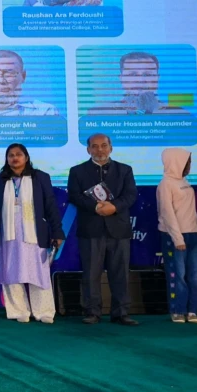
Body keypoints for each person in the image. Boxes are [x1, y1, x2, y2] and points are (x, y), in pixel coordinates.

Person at [67, 134, 139, 326]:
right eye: (95, 146)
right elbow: (74, 196)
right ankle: (92, 312)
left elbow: (131, 195)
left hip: (119, 229)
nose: (100, 150)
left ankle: (121, 312)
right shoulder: (77, 171)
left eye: (104, 145)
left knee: (120, 273)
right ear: (88, 149)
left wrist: (114, 207)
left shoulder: (125, 170)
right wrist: (96, 207)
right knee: (91, 274)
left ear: (111, 148)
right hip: (91, 229)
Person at [0, 143, 64, 324]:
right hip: (9, 235)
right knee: (10, 271)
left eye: (18, 154)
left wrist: (57, 231)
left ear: (26, 157)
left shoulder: (40, 177)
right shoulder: (0, 180)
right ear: (7, 159)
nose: (15, 158)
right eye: (11, 155)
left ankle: (44, 311)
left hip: (34, 234)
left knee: (38, 272)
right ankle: (18, 310)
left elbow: (50, 206)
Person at [157, 148, 197, 323]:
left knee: (195, 275)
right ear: (175, 162)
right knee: (178, 275)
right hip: (174, 237)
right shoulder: (165, 184)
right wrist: (177, 238)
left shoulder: (184, 182)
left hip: (192, 234)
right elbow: (167, 213)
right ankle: (177, 310)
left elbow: (190, 210)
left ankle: (192, 311)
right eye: (186, 162)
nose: (189, 166)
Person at [87, 52, 189, 116]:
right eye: (133, 74)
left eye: (147, 74)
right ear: (121, 79)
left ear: (157, 79)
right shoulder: (97, 114)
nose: (140, 80)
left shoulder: (180, 115)